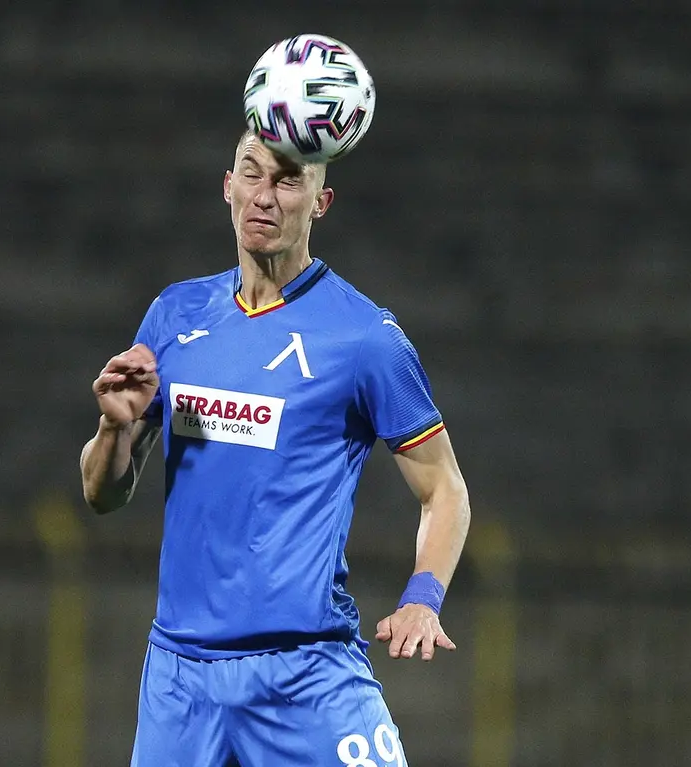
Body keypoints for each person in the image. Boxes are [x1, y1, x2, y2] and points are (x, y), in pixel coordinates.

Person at [80, 128, 471, 766]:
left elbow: (444, 489)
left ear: (321, 202)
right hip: (180, 683)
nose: (265, 196)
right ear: (227, 187)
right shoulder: (176, 314)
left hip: (305, 675)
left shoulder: (365, 338)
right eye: (251, 173)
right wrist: (114, 429)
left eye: (288, 180)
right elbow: (102, 495)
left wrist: (422, 601)